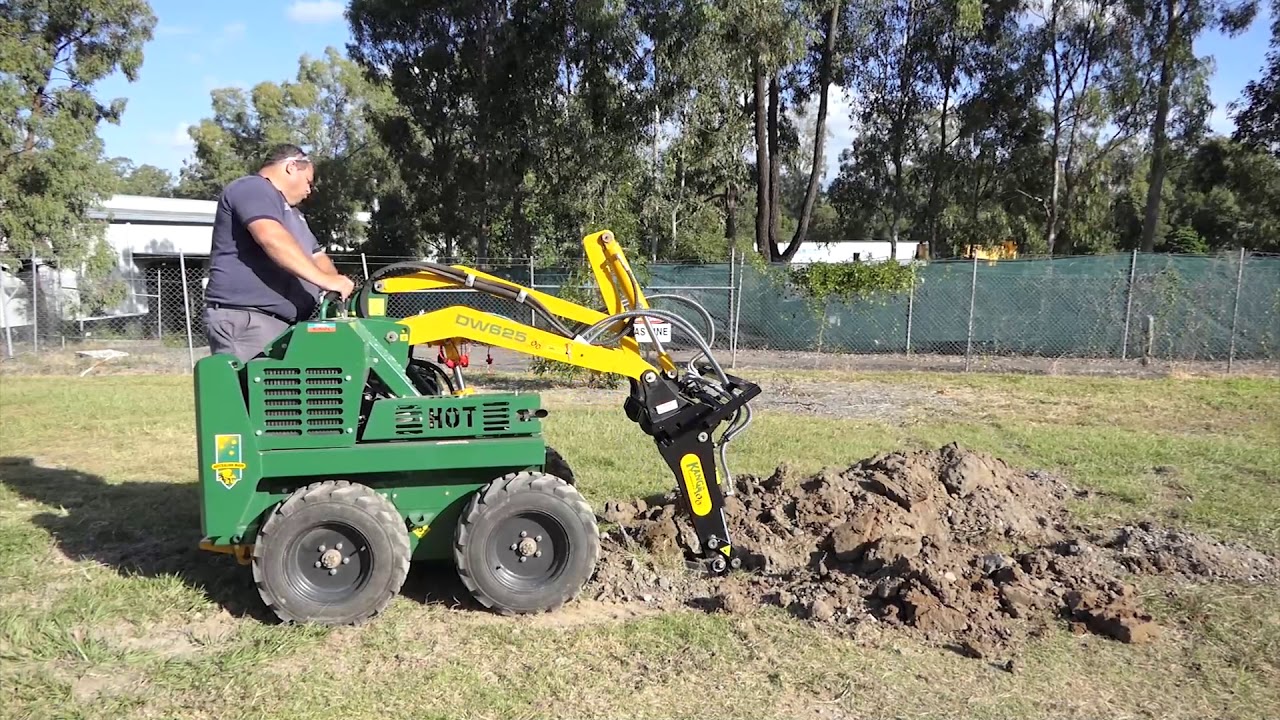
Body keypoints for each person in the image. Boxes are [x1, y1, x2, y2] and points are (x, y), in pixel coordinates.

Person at [202, 144, 354, 361]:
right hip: (250, 319)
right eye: (309, 182)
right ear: (291, 166)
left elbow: (316, 255)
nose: (309, 191)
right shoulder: (253, 188)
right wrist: (325, 281)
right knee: (257, 391)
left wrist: (336, 284)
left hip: (281, 323)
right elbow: (270, 237)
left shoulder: (292, 214)